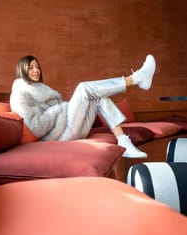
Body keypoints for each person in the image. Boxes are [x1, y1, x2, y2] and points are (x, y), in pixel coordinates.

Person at [10, 54, 156, 158]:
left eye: (37, 67)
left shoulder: (42, 90)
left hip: (68, 130)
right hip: (56, 139)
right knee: (83, 88)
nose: (36, 70)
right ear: (22, 70)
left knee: (99, 95)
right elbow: (36, 126)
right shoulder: (19, 94)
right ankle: (136, 79)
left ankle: (124, 142)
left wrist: (63, 110)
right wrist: (62, 109)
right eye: (30, 68)